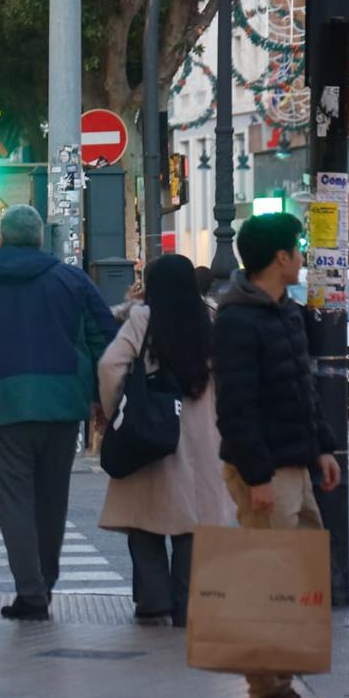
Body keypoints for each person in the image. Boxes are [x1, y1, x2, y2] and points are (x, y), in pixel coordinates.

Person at [0, 205, 117, 621]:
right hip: (61, 405)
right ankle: (45, 582)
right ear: (40, 239)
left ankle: (30, 590)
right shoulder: (72, 282)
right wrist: (106, 402)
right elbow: (106, 340)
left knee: (14, 501)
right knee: (52, 500)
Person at [213, 213, 340, 698]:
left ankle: (284, 687)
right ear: (280, 258)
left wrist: (324, 448)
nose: (302, 257)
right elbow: (236, 406)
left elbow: (301, 390)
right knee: (269, 582)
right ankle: (263, 694)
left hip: (295, 466)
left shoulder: (286, 312)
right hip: (264, 470)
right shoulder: (238, 318)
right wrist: (258, 473)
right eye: (297, 249)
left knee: (299, 581)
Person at [97, 254, 233, 627]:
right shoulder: (210, 319)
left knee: (146, 521)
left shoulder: (142, 319)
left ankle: (154, 601)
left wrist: (117, 413)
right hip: (202, 438)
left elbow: (110, 365)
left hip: (152, 435)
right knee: (193, 523)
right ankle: (189, 603)